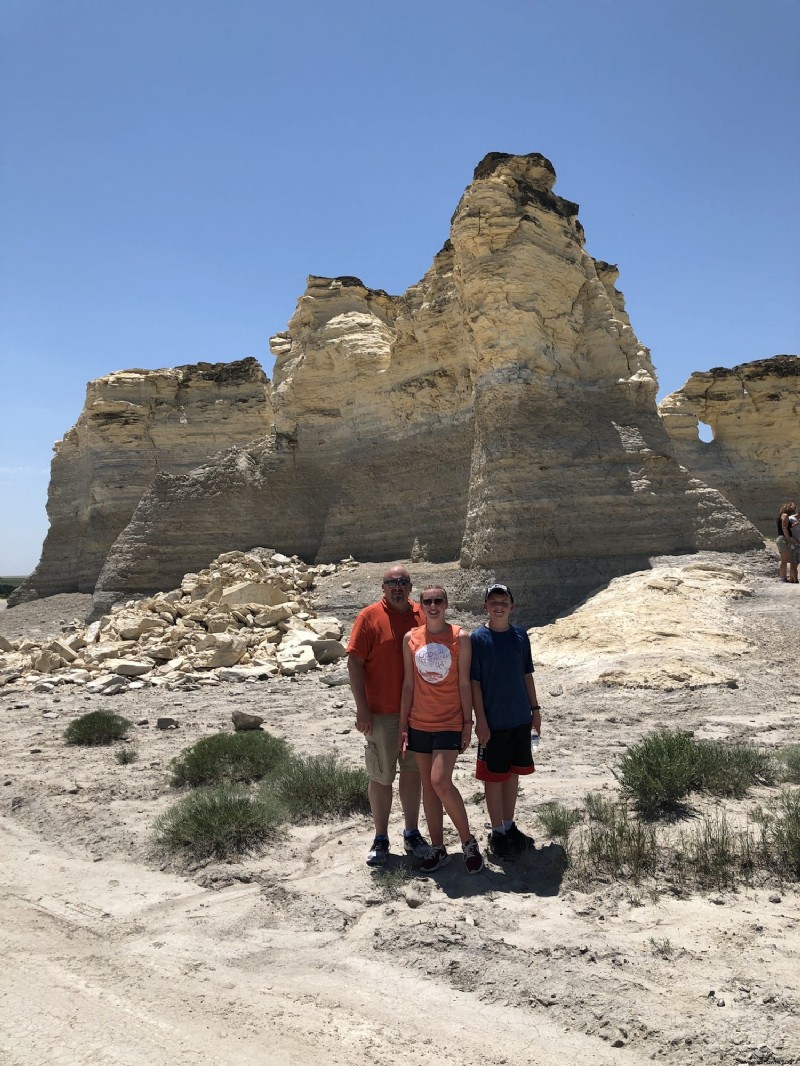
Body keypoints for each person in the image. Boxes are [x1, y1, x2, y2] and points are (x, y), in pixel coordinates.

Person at [347, 565, 430, 866]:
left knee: (412, 773)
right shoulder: (368, 617)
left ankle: (411, 832)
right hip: (380, 714)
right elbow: (354, 663)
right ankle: (380, 838)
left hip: (417, 713)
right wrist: (362, 707)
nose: (397, 587)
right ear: (383, 587)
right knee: (381, 775)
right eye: (392, 583)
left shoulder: (423, 614)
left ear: (410, 587)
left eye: (403, 582)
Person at [399, 586, 484, 874]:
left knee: (441, 781)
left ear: (446, 604)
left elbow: (463, 683)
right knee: (428, 787)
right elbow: (409, 684)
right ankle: (438, 847)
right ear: (421, 606)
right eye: (428, 601)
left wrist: (467, 723)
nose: (433, 605)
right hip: (419, 722)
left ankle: (468, 842)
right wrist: (403, 726)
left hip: (449, 721)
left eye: (438, 601)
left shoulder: (460, 637)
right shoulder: (411, 638)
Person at [470, 583, 541, 861]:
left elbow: (527, 675)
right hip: (494, 722)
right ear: (485, 606)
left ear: (512, 606)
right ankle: (497, 831)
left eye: (504, 601)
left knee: (512, 773)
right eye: (493, 601)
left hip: (519, 718)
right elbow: (475, 683)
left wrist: (535, 710)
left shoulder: (521, 636)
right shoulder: (478, 638)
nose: (498, 606)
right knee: (493, 777)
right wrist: (481, 721)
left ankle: (509, 826)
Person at [776, 502, 799, 583]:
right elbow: (784, 528)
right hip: (783, 539)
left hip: (781, 538)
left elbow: (786, 527)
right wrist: (789, 539)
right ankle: (782, 577)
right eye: (793, 510)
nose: (793, 512)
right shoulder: (785, 515)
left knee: (784, 559)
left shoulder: (782, 515)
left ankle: (784, 577)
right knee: (784, 560)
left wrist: (793, 526)